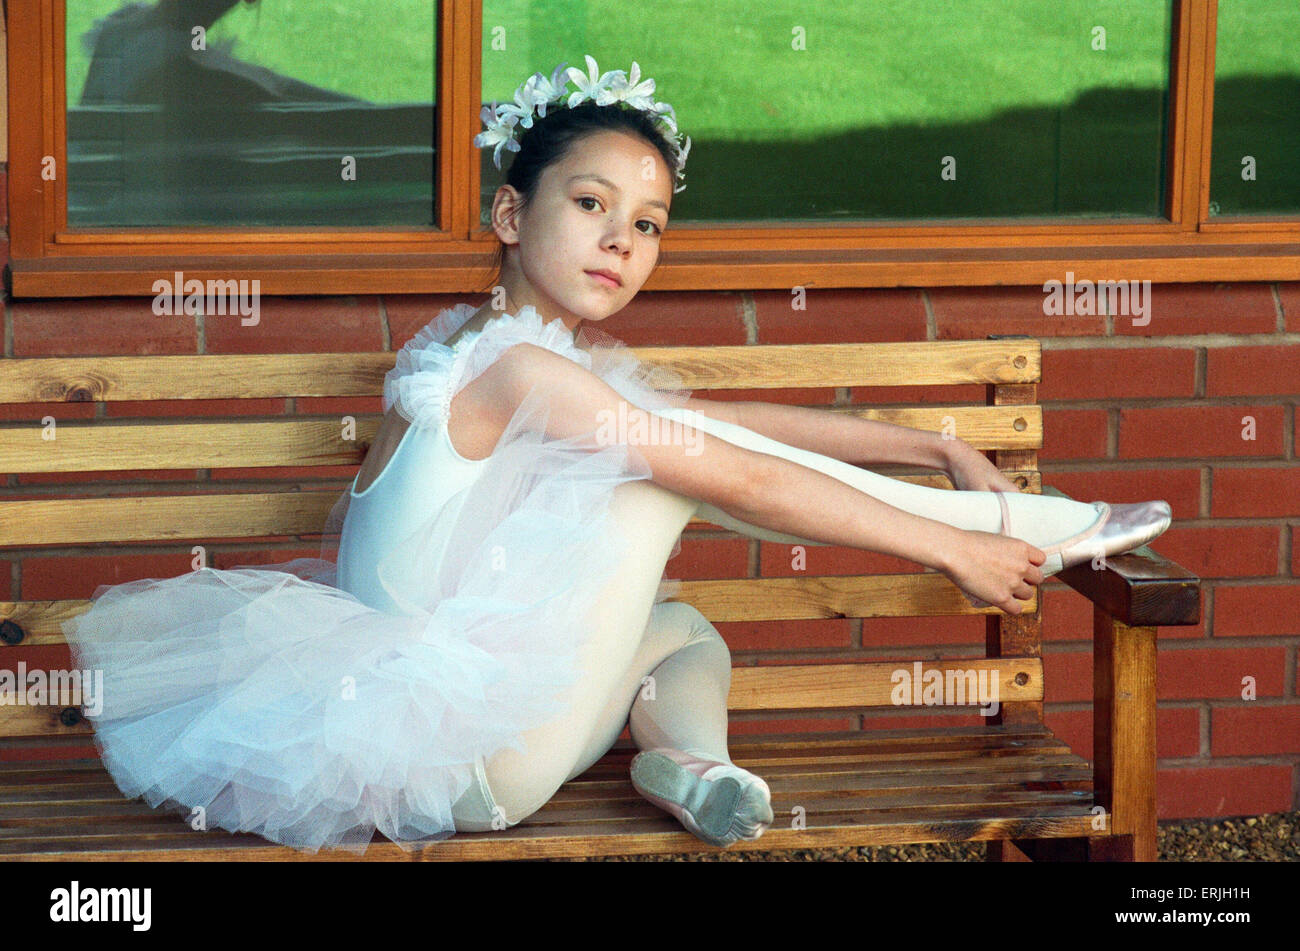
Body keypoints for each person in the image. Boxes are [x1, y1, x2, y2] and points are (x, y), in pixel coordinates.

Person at [63, 55, 1173, 856]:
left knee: (684, 633)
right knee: (663, 483)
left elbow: (748, 431)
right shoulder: (517, 375)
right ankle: (1036, 532)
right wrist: (950, 548)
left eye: (646, 224)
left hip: (452, 728)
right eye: (590, 205)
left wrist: (927, 441)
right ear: (509, 211)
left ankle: (692, 769)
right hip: (463, 760)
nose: (618, 241)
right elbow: (724, 469)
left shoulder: (491, 343)